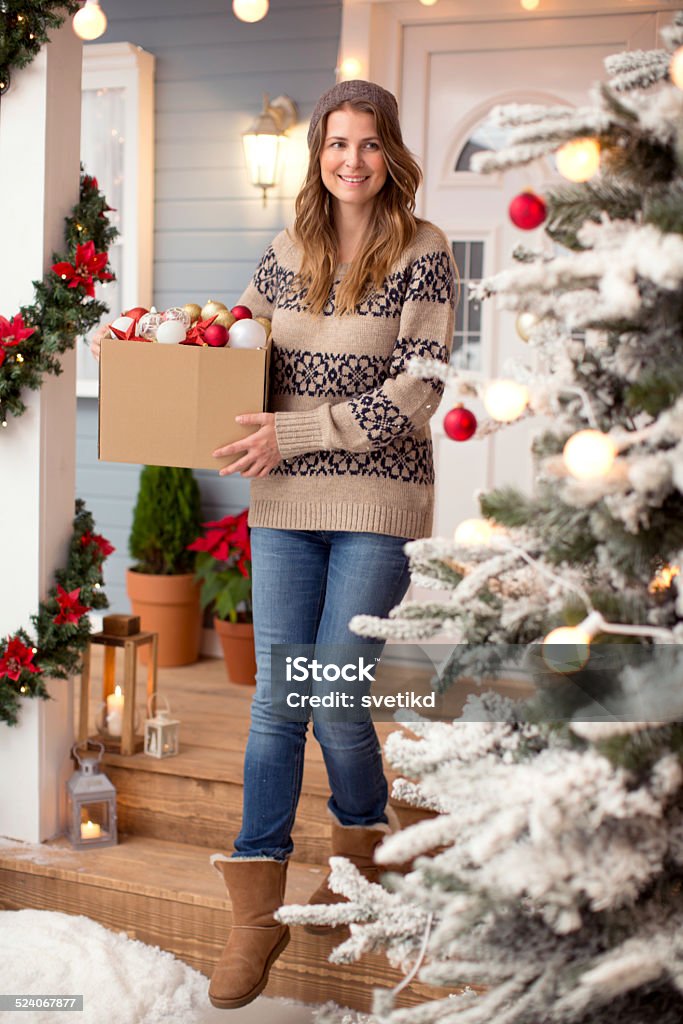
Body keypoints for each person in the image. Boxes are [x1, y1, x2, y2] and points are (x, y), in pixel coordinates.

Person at [93, 79, 456, 1011]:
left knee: (332, 694)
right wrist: (142, 343)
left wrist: (293, 434)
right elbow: (231, 346)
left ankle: (360, 862)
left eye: (368, 145)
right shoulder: (287, 250)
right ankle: (253, 914)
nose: (352, 161)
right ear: (318, 154)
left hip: (377, 500)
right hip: (283, 506)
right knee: (273, 708)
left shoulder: (425, 252)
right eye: (337, 144)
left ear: (391, 154)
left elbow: (418, 391)